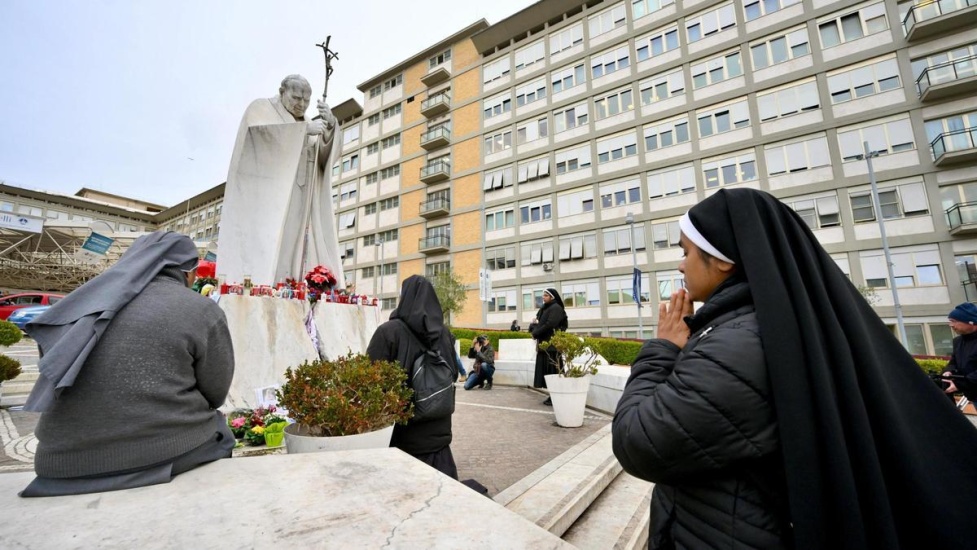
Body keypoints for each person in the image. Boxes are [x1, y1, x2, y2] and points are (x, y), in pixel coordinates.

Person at [612, 188, 977, 549]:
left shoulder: (739, 344)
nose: (680, 264)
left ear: (722, 260)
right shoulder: (769, 324)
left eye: (686, 251)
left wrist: (660, 349)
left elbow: (639, 442)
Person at [20, 231, 235, 497]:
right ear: (188, 272)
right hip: (160, 450)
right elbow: (216, 392)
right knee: (222, 434)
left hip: (58, 461)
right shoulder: (201, 309)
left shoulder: (81, 301)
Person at [218, 74, 344, 288]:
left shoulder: (307, 121)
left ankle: (292, 282)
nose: (301, 104)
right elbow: (258, 139)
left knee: (295, 245)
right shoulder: (261, 109)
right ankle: (266, 282)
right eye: (296, 98)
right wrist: (303, 132)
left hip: (302, 195)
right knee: (274, 241)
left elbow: (323, 158)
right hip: (271, 198)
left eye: (306, 100)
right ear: (282, 92)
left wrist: (330, 126)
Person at [367, 275, 458, 479]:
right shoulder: (444, 334)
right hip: (439, 436)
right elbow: (453, 371)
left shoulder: (388, 333)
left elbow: (371, 382)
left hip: (403, 438)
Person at [531, 288, 568, 405]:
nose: (543, 297)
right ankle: (552, 395)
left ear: (552, 297)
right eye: (543, 295)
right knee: (546, 372)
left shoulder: (556, 308)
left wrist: (536, 333)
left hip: (552, 347)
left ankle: (555, 396)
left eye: (546, 295)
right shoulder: (545, 308)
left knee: (553, 372)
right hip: (544, 345)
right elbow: (540, 322)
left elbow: (550, 324)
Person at [943, 302, 977, 403]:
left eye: (954, 321)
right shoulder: (958, 341)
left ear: (971, 322)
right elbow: (953, 362)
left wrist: (960, 384)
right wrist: (948, 371)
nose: (951, 325)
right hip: (972, 394)